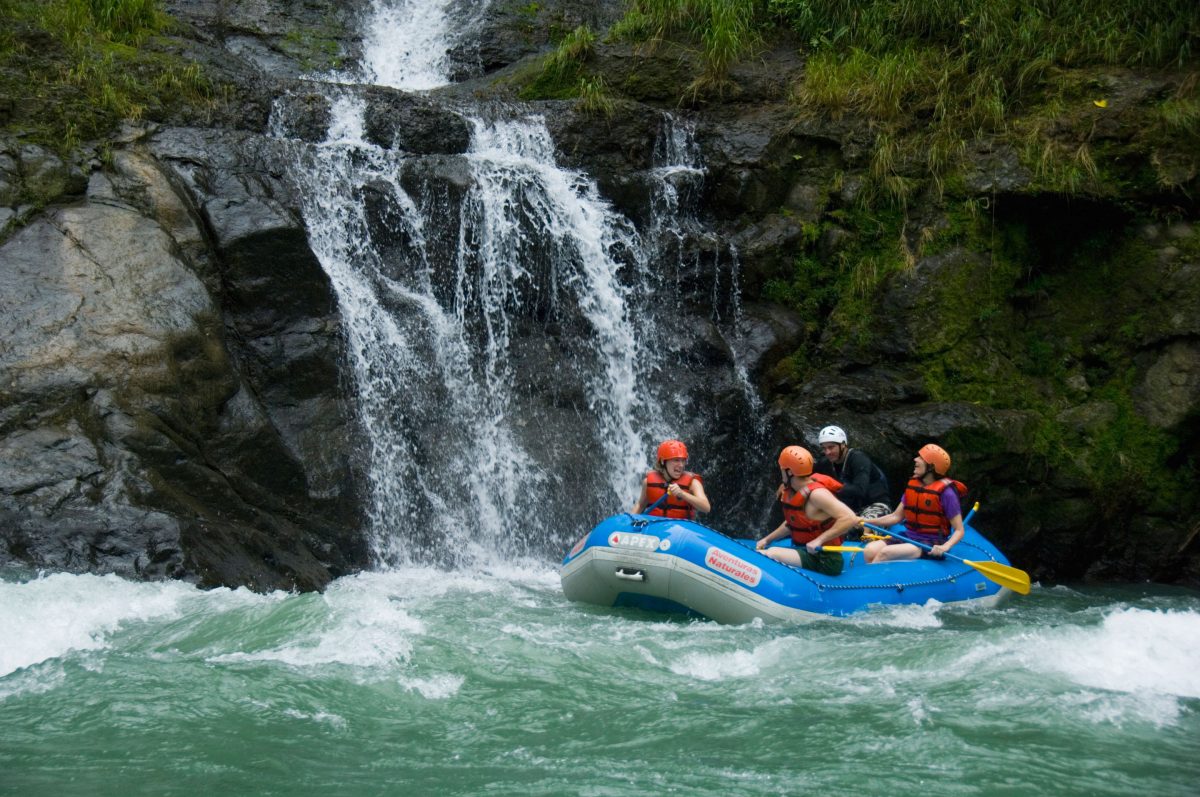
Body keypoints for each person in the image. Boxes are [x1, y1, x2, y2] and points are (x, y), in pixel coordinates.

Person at [756, 445, 860, 576]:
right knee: (770, 548)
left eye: (782, 469)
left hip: (825, 559)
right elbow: (792, 523)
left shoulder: (817, 494)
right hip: (805, 551)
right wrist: (767, 539)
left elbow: (849, 517)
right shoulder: (794, 490)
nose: (780, 472)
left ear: (789, 471)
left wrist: (819, 540)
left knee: (772, 553)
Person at [863, 443, 967, 564]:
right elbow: (895, 517)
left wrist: (945, 547)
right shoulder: (914, 486)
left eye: (921, 458)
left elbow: (959, 530)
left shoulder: (947, 493)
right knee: (869, 550)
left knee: (885, 553)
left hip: (931, 542)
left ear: (931, 467)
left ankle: (874, 582)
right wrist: (866, 521)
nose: (915, 459)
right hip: (908, 536)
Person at [813, 425, 891, 521]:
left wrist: (833, 486)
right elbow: (807, 479)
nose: (827, 452)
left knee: (859, 529)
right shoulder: (824, 463)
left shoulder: (858, 459)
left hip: (874, 505)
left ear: (842, 445)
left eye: (831, 447)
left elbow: (860, 489)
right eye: (824, 448)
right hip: (847, 508)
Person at [631, 439, 711, 519]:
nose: (681, 465)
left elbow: (706, 507)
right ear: (663, 461)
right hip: (654, 526)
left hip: (680, 528)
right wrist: (628, 521)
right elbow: (640, 505)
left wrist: (682, 494)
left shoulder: (693, 483)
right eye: (676, 460)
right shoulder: (647, 482)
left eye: (683, 461)